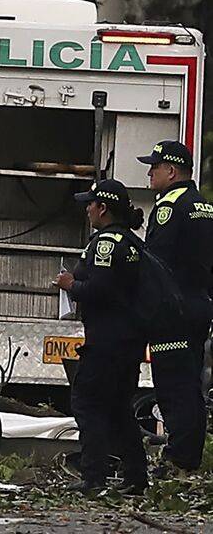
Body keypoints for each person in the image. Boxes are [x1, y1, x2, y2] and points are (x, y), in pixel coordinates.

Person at [54, 179, 148, 495]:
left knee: (87, 403)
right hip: (129, 341)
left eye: (91, 204)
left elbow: (101, 290)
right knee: (119, 407)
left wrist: (71, 286)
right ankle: (135, 476)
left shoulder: (106, 242)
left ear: (103, 208)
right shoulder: (134, 243)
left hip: (108, 341)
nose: (87, 209)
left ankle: (94, 476)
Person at [137, 140, 213, 472]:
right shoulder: (204, 206)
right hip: (198, 305)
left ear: (171, 171)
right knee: (191, 383)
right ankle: (189, 455)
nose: (150, 172)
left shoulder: (169, 207)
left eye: (154, 167)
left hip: (173, 310)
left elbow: (157, 264)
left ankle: (179, 458)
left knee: (172, 385)